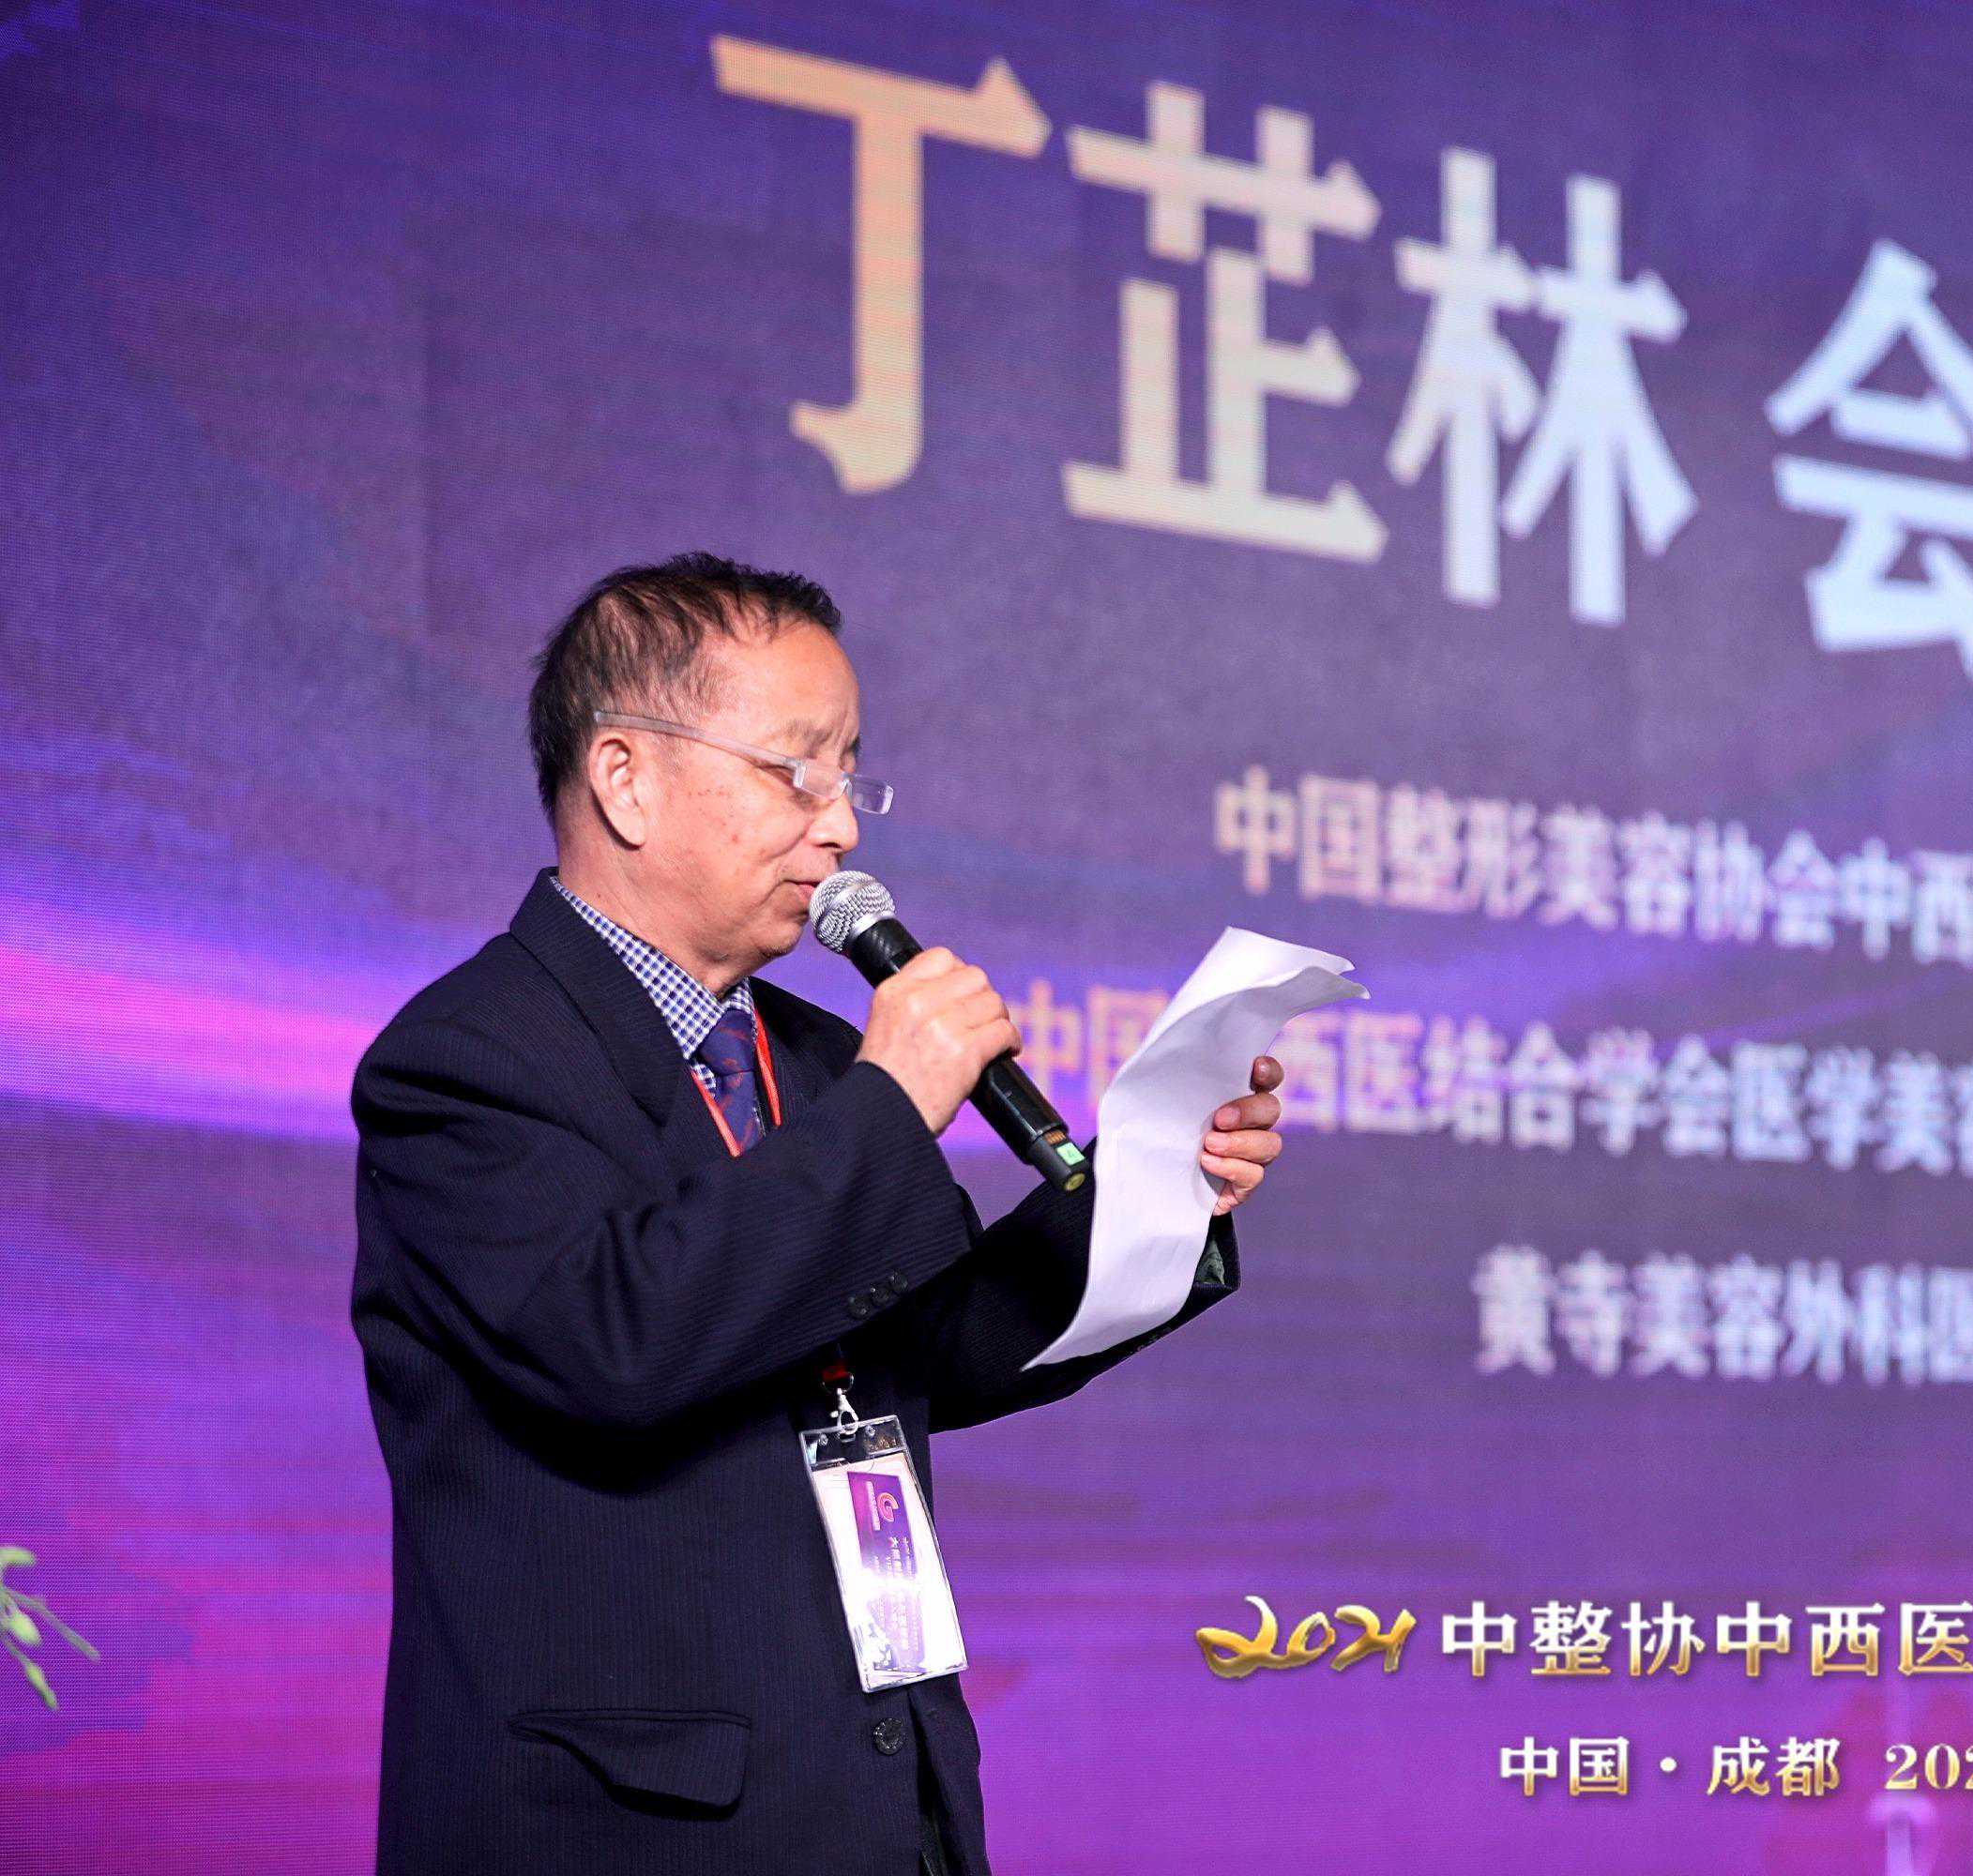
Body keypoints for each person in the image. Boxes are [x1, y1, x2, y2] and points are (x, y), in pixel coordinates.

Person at [348, 552, 1285, 1876]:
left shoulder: (817, 1059)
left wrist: (1155, 1188)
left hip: (878, 1796)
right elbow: (618, 1341)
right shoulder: (466, 1060)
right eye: (796, 770)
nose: (841, 826)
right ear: (625, 778)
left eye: (850, 773)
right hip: (628, 1834)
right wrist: (893, 1102)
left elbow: (932, 1350)